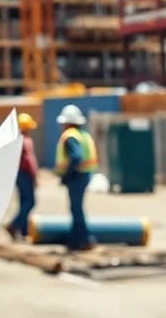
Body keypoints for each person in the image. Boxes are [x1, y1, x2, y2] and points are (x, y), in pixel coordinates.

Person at [53, 104, 98, 251]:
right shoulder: (83, 134)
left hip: (76, 176)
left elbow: (76, 157)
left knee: (76, 208)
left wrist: (66, 175)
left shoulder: (70, 136)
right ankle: (74, 239)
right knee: (76, 207)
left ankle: (85, 239)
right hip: (85, 174)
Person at [4, 113, 38, 241]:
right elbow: (30, 161)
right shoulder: (26, 141)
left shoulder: (16, 140)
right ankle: (13, 224)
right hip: (25, 174)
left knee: (23, 202)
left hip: (17, 174)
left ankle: (23, 232)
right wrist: (35, 177)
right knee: (30, 202)